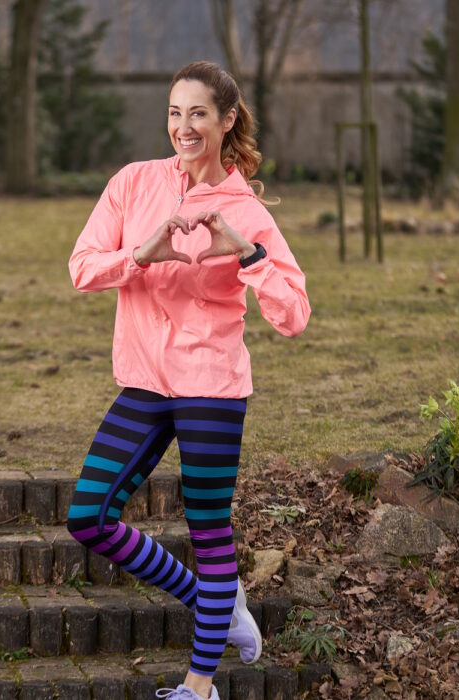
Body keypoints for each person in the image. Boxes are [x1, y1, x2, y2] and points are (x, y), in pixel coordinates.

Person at [66, 60, 310, 700]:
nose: (184, 126)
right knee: (88, 515)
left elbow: (294, 314)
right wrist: (141, 254)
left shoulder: (245, 212)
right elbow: (83, 268)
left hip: (212, 387)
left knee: (209, 530)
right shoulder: (133, 183)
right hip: (145, 382)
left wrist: (246, 253)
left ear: (227, 121)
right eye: (175, 112)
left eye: (198, 113)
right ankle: (217, 602)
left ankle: (199, 688)